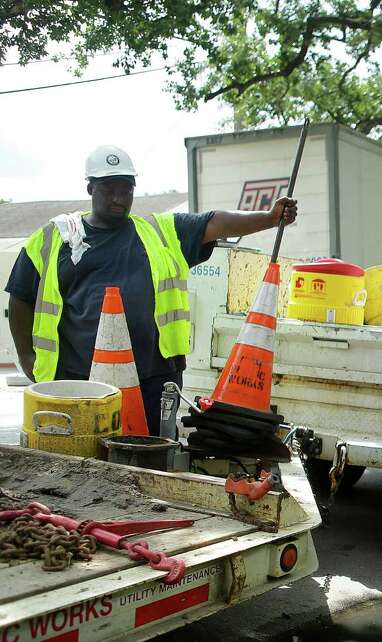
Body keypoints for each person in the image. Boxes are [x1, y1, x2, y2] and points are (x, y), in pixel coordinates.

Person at [6, 144, 298, 430]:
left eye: (126, 189)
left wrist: (268, 218)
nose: (119, 198)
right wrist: (26, 356)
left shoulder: (160, 232)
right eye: (110, 189)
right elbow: (20, 296)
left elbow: (214, 222)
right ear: (90, 189)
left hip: (153, 380)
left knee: (149, 460)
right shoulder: (56, 239)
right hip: (79, 380)